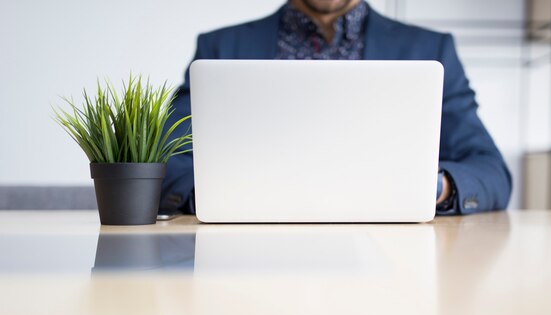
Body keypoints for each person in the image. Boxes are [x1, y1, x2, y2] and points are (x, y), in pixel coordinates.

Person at [159, 0, 512, 216]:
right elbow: (162, 163)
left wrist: (435, 186)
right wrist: (223, 192)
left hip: (396, 256)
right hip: (245, 248)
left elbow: (490, 170)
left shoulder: (431, 48)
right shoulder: (221, 46)